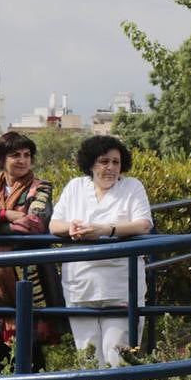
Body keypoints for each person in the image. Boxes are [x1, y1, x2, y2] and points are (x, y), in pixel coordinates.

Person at [0, 132, 65, 373]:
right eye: (15, 155)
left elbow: (34, 224)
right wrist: (5, 215)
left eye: (27, 155)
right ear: (1, 159)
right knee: (2, 356)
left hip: (28, 280)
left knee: (31, 352)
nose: (22, 160)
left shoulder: (40, 188)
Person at [49, 135, 153, 367]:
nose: (110, 168)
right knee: (88, 358)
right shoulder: (75, 187)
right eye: (104, 161)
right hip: (80, 285)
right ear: (91, 164)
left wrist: (106, 230)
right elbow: (54, 225)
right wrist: (71, 227)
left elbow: (143, 224)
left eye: (116, 162)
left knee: (118, 357)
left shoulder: (132, 187)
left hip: (121, 285)